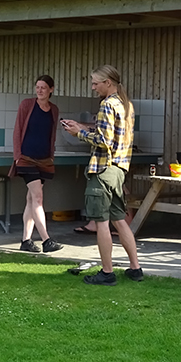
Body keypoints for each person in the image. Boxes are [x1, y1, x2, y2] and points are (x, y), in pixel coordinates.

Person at [61, 65, 143, 285]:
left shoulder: (107, 105)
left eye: (95, 83)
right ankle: (135, 268)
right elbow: (108, 131)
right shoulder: (125, 105)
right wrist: (81, 126)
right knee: (120, 219)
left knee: (102, 223)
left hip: (103, 170)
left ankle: (107, 273)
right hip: (119, 171)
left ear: (108, 83)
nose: (93, 87)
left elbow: (103, 141)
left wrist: (78, 133)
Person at [9, 75, 63, 253]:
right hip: (26, 158)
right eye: (37, 87)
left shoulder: (53, 110)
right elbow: (17, 129)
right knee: (38, 198)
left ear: (51, 90)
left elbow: (51, 134)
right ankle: (46, 240)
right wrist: (17, 156)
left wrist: (52, 155)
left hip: (44, 160)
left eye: (43, 87)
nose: (39, 90)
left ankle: (26, 240)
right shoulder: (26, 105)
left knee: (31, 199)